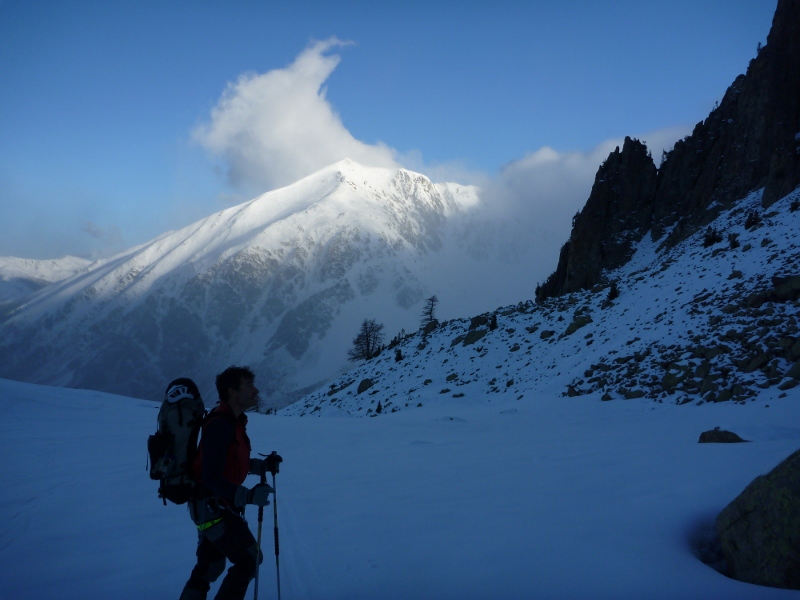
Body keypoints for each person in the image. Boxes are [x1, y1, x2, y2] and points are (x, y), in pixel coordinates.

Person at [180, 366, 282, 600]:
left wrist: (261, 466)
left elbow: (231, 462)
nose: (255, 390)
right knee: (249, 559)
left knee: (210, 567)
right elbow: (211, 476)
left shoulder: (232, 421)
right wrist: (247, 496)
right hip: (213, 508)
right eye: (249, 385)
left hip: (210, 507)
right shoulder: (220, 425)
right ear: (232, 392)